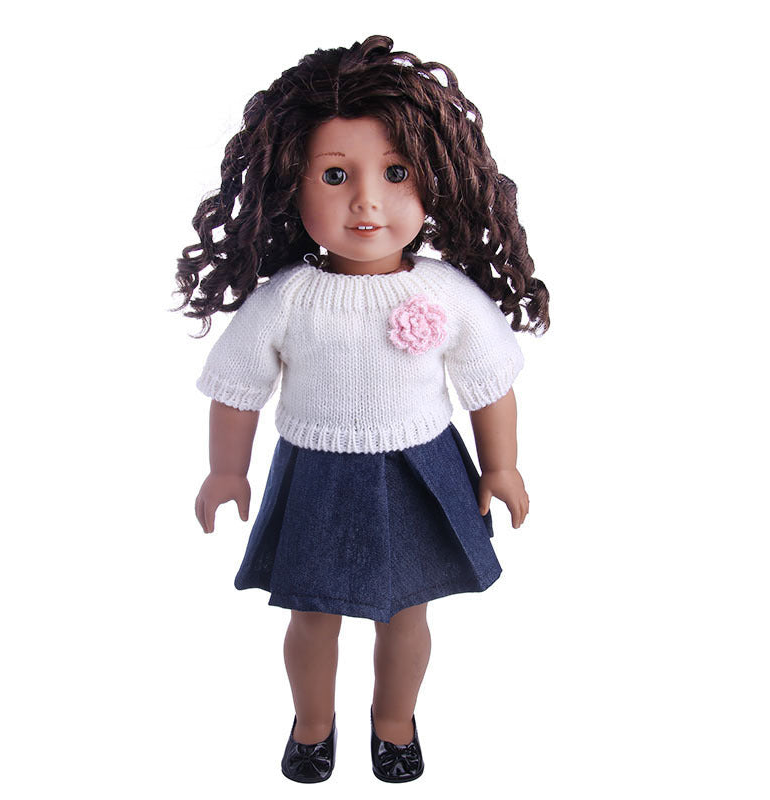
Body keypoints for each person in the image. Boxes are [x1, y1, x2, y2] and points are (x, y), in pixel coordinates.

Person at [174, 34, 550, 784]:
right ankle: (313, 723)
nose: (367, 200)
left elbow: (489, 385)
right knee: (312, 614)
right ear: (291, 185)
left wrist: (501, 465)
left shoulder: (444, 292)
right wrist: (227, 471)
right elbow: (238, 389)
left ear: (435, 181)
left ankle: (394, 721)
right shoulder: (288, 299)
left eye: (396, 172)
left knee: (407, 611)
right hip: (315, 473)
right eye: (336, 175)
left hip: (420, 469)